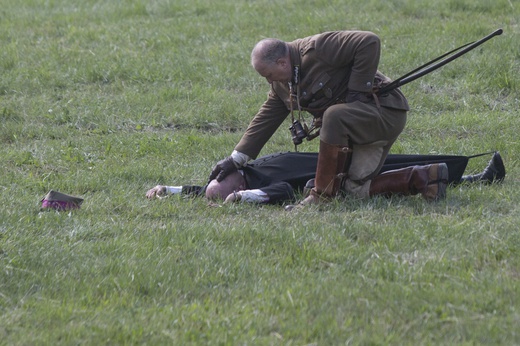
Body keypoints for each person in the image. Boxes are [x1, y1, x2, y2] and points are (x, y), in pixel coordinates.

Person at [207, 30, 448, 209]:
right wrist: (236, 159)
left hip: (382, 113)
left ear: (282, 62)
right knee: (352, 189)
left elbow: (368, 41)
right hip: (354, 130)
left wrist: (356, 94)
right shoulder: (282, 84)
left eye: (268, 75)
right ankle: (426, 177)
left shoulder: (318, 49)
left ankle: (319, 197)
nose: (268, 81)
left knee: (334, 115)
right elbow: (265, 119)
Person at [146, 151, 505, 205]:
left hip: (339, 157)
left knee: (407, 163)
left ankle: (473, 176)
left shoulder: (249, 177)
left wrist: (244, 196)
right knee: (405, 174)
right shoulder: (249, 178)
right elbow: (209, 189)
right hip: (337, 168)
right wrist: (171, 189)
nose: (235, 188)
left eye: (236, 186)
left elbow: (214, 189)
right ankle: (475, 180)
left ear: (238, 178)